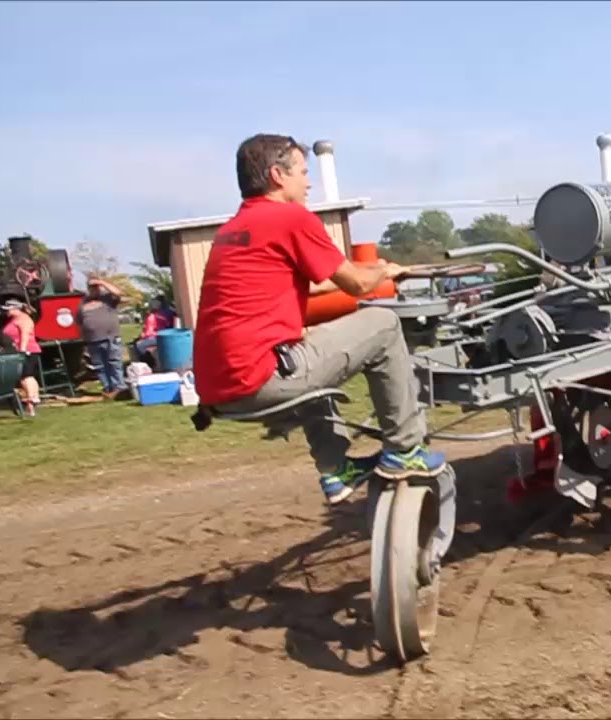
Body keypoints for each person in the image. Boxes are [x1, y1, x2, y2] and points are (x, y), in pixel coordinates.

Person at [193, 133, 445, 505]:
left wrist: (377, 274)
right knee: (385, 324)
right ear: (278, 175)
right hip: (262, 378)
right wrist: (380, 270)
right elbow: (357, 285)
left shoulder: (233, 231)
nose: (308, 182)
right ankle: (406, 449)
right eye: (303, 172)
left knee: (309, 353)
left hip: (218, 391)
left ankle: (335, 470)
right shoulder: (289, 217)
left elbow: (303, 291)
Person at [78, 276, 127, 399]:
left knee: (114, 363)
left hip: (110, 337)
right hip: (92, 339)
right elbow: (79, 320)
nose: (94, 289)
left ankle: (119, 388)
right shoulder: (84, 302)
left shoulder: (108, 299)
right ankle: (108, 388)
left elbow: (119, 292)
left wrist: (102, 282)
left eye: (96, 287)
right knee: (100, 366)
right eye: (91, 287)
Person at [1, 299, 42, 416]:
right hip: (20, 350)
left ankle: (31, 401)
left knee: (25, 376)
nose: (6, 312)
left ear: (15, 309)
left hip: (27, 350)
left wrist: (22, 350)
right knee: (28, 376)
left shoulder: (24, 319)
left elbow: (25, 335)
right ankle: (33, 401)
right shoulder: (14, 320)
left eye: (8, 309)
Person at [133, 295, 176, 369]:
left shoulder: (159, 314)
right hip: (161, 335)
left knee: (139, 345)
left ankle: (150, 364)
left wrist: (145, 335)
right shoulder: (168, 312)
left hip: (160, 336)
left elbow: (151, 331)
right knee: (138, 342)